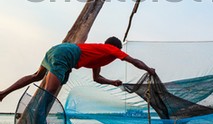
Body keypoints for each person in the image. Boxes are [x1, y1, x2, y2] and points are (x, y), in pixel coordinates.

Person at [0, 36, 156, 102]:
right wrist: (149, 69)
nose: (117, 56)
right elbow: (133, 60)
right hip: (67, 55)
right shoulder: (110, 48)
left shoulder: (98, 57)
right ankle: (37, 115)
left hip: (57, 50)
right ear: (115, 47)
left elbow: (97, 78)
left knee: (37, 76)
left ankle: (3, 93)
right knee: (50, 90)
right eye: (117, 52)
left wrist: (112, 82)